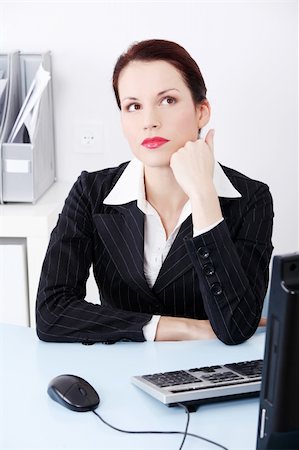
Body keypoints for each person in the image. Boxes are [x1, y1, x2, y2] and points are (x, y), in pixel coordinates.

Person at [36, 39, 274, 345]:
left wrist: (204, 196)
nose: (149, 122)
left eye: (168, 100)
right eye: (133, 106)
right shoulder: (92, 192)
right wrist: (179, 328)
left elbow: (236, 327)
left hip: (210, 374)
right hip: (118, 374)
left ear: (202, 112)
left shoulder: (251, 200)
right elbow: (51, 312)